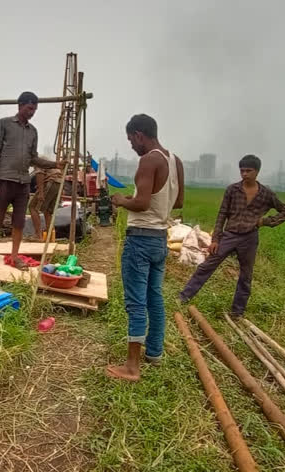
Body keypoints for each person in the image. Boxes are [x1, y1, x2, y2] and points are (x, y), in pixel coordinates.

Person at [106, 114, 184, 382]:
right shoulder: (175, 161)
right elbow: (179, 201)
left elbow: (140, 203)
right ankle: (154, 352)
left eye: (130, 140)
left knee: (136, 302)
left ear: (139, 135)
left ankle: (132, 367)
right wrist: (146, 203)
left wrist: (120, 200)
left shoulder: (148, 159)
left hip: (140, 238)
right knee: (154, 298)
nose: (130, 145)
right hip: (160, 238)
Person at [179, 154, 285, 319]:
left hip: (250, 238)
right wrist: (215, 239)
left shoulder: (266, 194)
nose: (244, 174)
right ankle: (183, 297)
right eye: (242, 170)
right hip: (229, 235)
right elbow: (222, 214)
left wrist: (265, 221)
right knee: (207, 266)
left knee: (246, 275)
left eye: (248, 171)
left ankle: (237, 312)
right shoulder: (232, 189)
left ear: (257, 172)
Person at [0, 91, 63, 269]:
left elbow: (34, 158)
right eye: (29, 108)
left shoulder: (33, 131)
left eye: (34, 109)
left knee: (18, 221)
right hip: (4, 179)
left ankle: (14, 256)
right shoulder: (4, 124)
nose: (32, 112)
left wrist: (54, 164)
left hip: (23, 183)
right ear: (20, 106)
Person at [28, 166, 63, 241]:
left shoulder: (37, 161)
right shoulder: (46, 160)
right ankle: (50, 236)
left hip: (51, 181)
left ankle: (38, 235)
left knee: (32, 207)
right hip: (58, 182)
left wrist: (41, 192)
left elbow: (39, 174)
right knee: (48, 210)